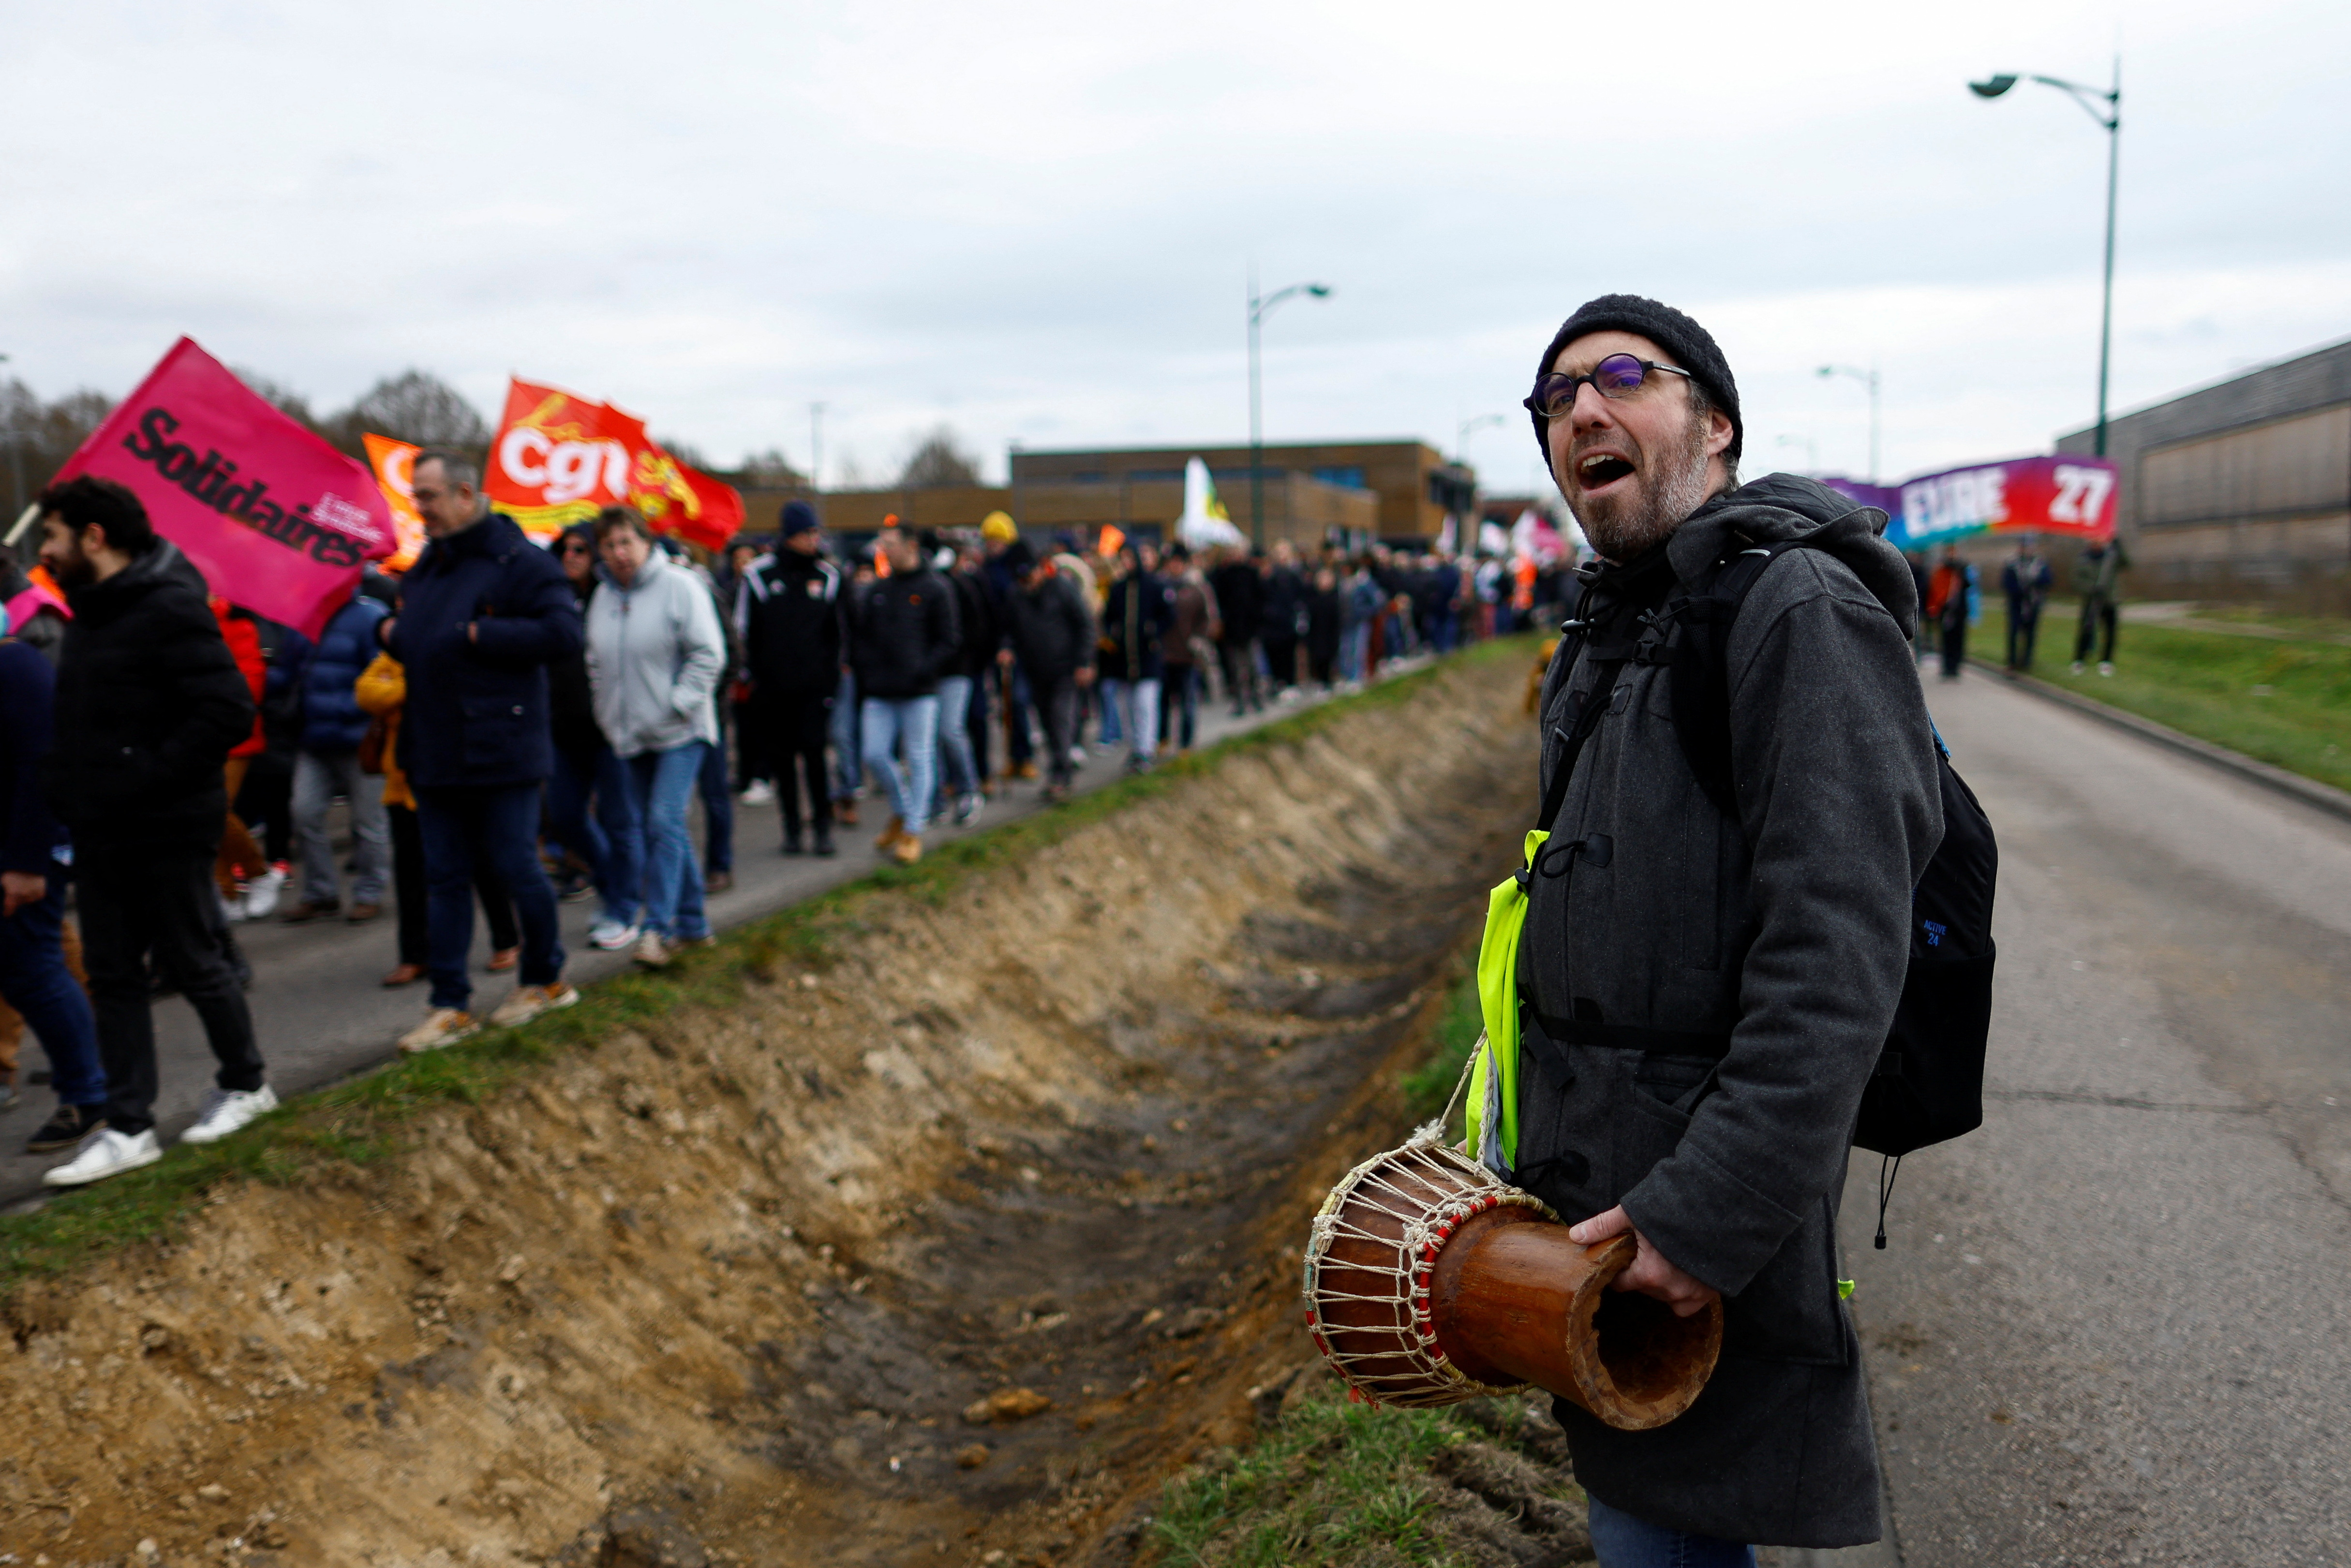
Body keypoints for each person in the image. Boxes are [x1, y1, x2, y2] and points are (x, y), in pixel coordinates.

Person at [1510, 296, 1941, 1559]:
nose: (1580, 408)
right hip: (1594, 1211)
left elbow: (1837, 953)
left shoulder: (1799, 611)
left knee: (1667, 1540)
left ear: (1716, 427)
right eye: (1553, 400)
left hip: (1689, 1227)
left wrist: (1706, 1214)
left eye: (1623, 376)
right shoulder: (1623, 617)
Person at [35, 476, 275, 1186]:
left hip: (168, 820)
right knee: (112, 974)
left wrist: (148, 771)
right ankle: (129, 1123)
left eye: (53, 535)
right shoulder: (90, 613)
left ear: (94, 537)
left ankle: (246, 1082)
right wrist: (67, 783)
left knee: (194, 955)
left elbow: (227, 710)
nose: (45, 551)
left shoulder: (170, 605)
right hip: (102, 823)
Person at [384, 449, 581, 1054]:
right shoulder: (428, 566)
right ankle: (450, 1004)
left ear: (467, 494)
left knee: (515, 864)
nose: (420, 508)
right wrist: (384, 633)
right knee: (443, 876)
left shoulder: (521, 562)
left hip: (503, 745)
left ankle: (545, 977)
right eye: (417, 496)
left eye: (429, 496)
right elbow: (414, 629)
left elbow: (563, 634)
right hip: (435, 744)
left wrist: (481, 633)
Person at [586, 507, 725, 968]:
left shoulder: (680, 587)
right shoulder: (603, 596)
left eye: (626, 542)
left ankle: (656, 930)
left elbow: (709, 653)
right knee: (665, 827)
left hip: (681, 729)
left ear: (646, 543)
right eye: (609, 545)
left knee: (663, 822)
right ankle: (694, 924)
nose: (619, 554)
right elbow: (595, 661)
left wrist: (679, 702)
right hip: (629, 732)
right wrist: (606, 711)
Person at [0, 607, 108, 1153]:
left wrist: (27, 862)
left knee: (34, 969)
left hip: (19, 853)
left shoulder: (16, 663)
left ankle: (88, 1096)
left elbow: (42, 765)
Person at [354, 648, 521, 989]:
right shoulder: (396, 651)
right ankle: (415, 956)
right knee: (410, 872)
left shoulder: (445, 640)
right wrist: (408, 685)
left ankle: (506, 940)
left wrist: (399, 686)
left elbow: (447, 690)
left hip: (454, 774)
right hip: (403, 782)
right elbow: (367, 692)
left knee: (480, 862)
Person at [544, 521, 641, 950]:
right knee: (564, 815)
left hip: (611, 729)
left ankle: (624, 907)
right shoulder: (550, 600)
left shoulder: (612, 599)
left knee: (620, 821)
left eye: (582, 549)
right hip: (564, 729)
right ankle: (611, 885)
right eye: (565, 549)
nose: (572, 556)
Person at [275, 583, 392, 922]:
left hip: (358, 738)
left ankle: (369, 893)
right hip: (314, 738)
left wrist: (346, 707)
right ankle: (320, 892)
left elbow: (381, 673)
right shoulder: (305, 616)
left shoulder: (369, 616)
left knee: (369, 822)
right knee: (304, 813)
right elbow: (288, 671)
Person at [848, 527, 960, 864]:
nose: (884, 550)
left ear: (911, 546)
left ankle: (912, 830)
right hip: (881, 691)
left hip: (919, 692)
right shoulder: (880, 590)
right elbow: (862, 636)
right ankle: (902, 811)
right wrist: (867, 669)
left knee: (920, 757)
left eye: (890, 544)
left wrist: (925, 669)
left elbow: (949, 639)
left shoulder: (935, 588)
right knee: (875, 753)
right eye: (882, 544)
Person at [739, 502, 846, 857]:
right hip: (773, 690)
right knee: (782, 762)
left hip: (815, 689)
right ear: (789, 536)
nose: (813, 540)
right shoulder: (758, 576)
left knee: (816, 759)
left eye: (816, 533)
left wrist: (831, 682)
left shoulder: (828, 577)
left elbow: (836, 636)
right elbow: (746, 633)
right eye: (806, 533)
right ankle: (792, 829)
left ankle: (823, 829)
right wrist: (754, 679)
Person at [997, 540, 1095, 803]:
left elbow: (1085, 624)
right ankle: (1058, 766)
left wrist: (1084, 662)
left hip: (1065, 669)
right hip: (1035, 670)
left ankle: (1061, 775)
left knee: (1060, 719)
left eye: (1029, 576)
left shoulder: (1062, 589)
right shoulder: (1016, 596)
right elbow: (1009, 630)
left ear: (1040, 569)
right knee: (1046, 723)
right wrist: (1007, 648)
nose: (1027, 583)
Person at [1100, 544, 1173, 774]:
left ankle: (1145, 750)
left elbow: (1169, 616)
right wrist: (1114, 634)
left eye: (1131, 559)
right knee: (1130, 708)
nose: (1127, 564)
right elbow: (1108, 616)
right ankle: (1135, 749)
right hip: (1125, 660)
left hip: (1147, 659)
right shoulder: (1119, 588)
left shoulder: (1154, 586)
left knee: (1145, 705)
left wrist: (1153, 634)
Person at [938, 535, 996, 823]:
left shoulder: (966, 586)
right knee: (934, 737)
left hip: (962, 669)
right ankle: (938, 795)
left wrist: (975, 661)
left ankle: (972, 785)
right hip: (931, 675)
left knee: (955, 729)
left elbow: (981, 624)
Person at [1159, 543, 1220, 751]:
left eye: (1178, 562)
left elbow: (1208, 618)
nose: (1174, 566)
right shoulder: (1162, 587)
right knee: (1163, 702)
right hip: (1165, 653)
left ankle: (1186, 743)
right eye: (1171, 562)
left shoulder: (1196, 589)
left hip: (1188, 654)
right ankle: (1162, 738)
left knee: (1187, 702)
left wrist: (1199, 639)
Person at [1207, 547, 1264, 715]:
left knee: (1252, 666)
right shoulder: (1223, 575)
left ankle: (1255, 698)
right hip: (1232, 629)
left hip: (1249, 627)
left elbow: (1259, 599)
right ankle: (1240, 700)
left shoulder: (1251, 574)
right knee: (1235, 668)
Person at [2071, 536, 2128, 675]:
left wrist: (2119, 546)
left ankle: (2106, 662)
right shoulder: (2083, 559)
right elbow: (2077, 580)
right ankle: (2080, 660)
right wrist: (2091, 589)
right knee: (2086, 630)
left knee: (2110, 632)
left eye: (2099, 541)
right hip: (2091, 600)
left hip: (2109, 600)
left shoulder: (2111, 557)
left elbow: (2126, 564)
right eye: (2093, 541)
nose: (2096, 544)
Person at [1260, 541, 1308, 697]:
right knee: (1274, 655)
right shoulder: (1269, 575)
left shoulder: (1295, 575)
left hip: (1288, 623)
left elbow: (1300, 597)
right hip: (1273, 625)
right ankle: (1278, 683)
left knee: (1289, 656)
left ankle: (1289, 684)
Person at [2001, 535, 2054, 672]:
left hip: (2033, 602)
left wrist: (2034, 583)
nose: (2026, 550)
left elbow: (2048, 580)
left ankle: (2027, 661)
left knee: (2031, 633)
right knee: (2014, 631)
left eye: (2029, 547)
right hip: (2016, 603)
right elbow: (2006, 583)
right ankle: (2012, 661)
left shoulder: (2040, 563)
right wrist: (2019, 589)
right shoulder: (2012, 563)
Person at [1925, 543, 1973, 681]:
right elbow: (1936, 589)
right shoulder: (1942, 570)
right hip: (1946, 610)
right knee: (1947, 639)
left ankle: (1956, 666)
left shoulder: (1961, 569)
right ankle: (1947, 666)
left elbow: (1968, 585)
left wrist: (1960, 573)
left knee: (1959, 638)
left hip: (1959, 611)